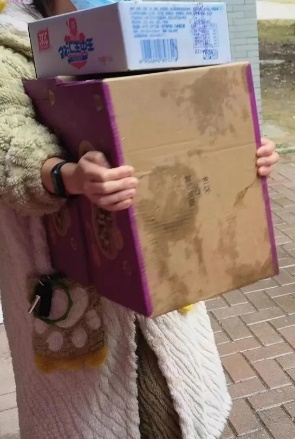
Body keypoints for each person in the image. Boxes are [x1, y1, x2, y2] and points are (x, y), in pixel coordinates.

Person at [0, 1, 280, 437]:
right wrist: (64, 174)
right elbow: (7, 135)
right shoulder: (12, 43)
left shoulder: (141, 34)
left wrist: (240, 149)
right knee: (119, 417)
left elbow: (191, 113)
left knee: (180, 406)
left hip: (163, 266)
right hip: (73, 288)